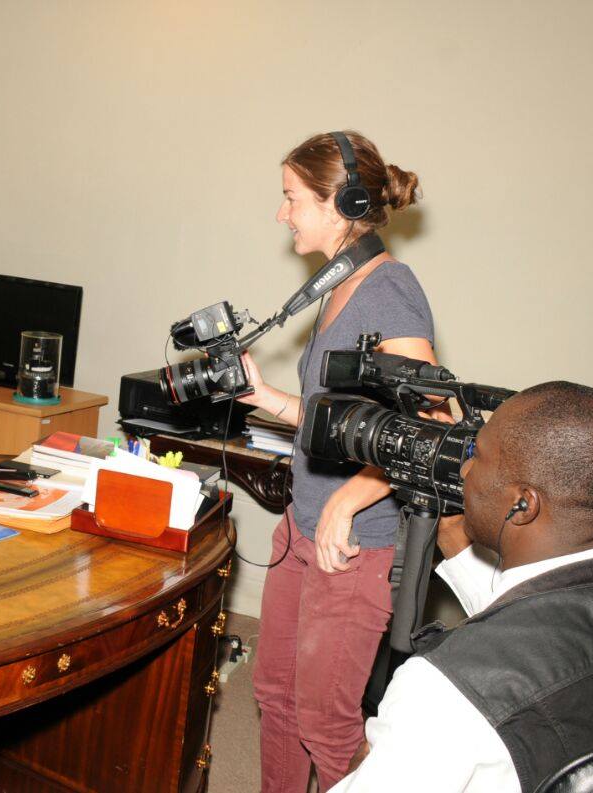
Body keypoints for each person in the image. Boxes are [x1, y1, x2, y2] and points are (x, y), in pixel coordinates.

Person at [331, 381, 593, 793]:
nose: (465, 470)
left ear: (523, 504)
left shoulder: (441, 691)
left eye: (478, 456)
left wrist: (360, 766)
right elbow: (547, 638)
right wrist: (454, 537)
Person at [238, 130, 442, 791]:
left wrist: (348, 501)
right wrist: (267, 398)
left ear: (343, 203)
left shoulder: (389, 290)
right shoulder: (339, 285)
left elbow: (431, 424)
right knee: (275, 695)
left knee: (325, 723)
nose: (282, 213)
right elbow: (343, 424)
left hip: (351, 546)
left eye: (292, 198)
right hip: (302, 528)